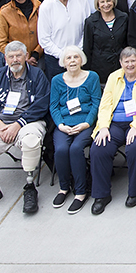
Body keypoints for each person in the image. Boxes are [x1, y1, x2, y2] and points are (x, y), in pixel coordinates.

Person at [0, 41, 49, 215]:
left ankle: (29, 188)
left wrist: (18, 124)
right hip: (1, 122)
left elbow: (42, 105)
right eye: (11, 56)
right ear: (5, 59)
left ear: (26, 56)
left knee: (30, 141)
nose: (15, 60)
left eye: (19, 55)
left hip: (29, 121)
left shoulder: (37, 75)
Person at [89, 47, 136, 214]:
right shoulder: (114, 77)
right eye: (126, 61)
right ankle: (101, 195)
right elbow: (105, 104)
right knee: (99, 148)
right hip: (114, 123)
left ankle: (135, 191)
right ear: (121, 62)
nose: (130, 65)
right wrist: (104, 127)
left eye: (133, 61)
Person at [50, 45, 101, 214]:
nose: (72, 61)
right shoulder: (57, 80)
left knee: (76, 149)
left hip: (85, 123)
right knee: (61, 149)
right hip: (64, 124)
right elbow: (54, 106)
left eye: (76, 57)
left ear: (82, 60)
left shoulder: (92, 77)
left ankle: (80, 192)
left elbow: (96, 103)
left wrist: (87, 123)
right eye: (68, 58)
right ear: (63, 62)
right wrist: (61, 125)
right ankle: (64, 188)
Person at [37, 0, 90, 80]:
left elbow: (87, 29)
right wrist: (64, 56)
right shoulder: (46, 6)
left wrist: (76, 54)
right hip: (55, 61)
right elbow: (44, 39)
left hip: (79, 57)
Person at [82, 0, 128, 83]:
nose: (106, 4)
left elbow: (127, 43)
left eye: (108, 1)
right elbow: (87, 48)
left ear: (113, 1)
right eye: (102, 2)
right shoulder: (90, 22)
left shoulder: (123, 17)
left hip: (121, 66)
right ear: (98, 4)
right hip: (100, 68)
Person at [0, 0, 41, 64]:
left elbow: (47, 34)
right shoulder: (5, 12)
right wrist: (19, 57)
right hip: (15, 61)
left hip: (38, 59)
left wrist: (36, 54)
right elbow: (1, 42)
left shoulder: (40, 7)